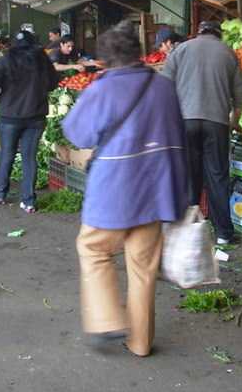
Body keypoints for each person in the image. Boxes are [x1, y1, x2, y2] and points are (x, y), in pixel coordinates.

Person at [62, 23, 186, 358]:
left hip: (114, 193)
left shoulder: (99, 90)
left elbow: (78, 135)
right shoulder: (163, 86)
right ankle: (141, 342)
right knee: (143, 268)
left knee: (92, 249)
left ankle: (106, 320)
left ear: (102, 61)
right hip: (157, 191)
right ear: (138, 53)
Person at [161, 20, 242, 245]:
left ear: (198, 33)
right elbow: (240, 95)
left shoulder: (182, 49)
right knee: (217, 176)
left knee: (190, 176)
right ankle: (223, 234)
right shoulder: (228, 53)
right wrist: (233, 122)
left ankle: (189, 232)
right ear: (218, 34)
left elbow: (165, 85)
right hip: (217, 123)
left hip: (186, 121)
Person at [0, 31, 57, 212]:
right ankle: (28, 201)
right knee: (28, 158)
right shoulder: (43, 61)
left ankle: (1, 193)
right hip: (36, 117)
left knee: (7, 154)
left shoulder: (5, 60)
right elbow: (53, 83)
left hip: (9, 117)